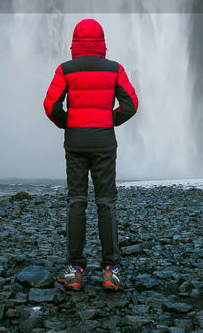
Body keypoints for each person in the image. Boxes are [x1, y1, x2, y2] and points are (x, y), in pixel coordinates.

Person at [42, 18, 139, 292]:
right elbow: (131, 105)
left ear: (75, 42)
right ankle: (111, 271)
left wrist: (67, 122)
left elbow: (51, 105)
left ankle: (74, 271)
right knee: (106, 202)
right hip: (104, 141)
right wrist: (110, 120)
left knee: (77, 201)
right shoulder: (115, 69)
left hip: (75, 141)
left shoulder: (66, 70)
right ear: (102, 42)